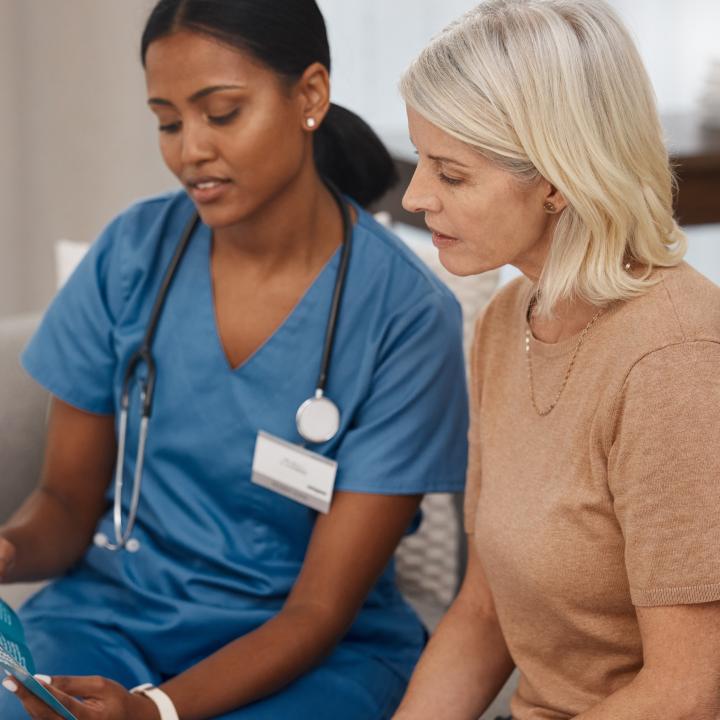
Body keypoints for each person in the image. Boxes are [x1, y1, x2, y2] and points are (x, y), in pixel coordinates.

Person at [0, 1, 469, 718]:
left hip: (310, 651)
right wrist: (6, 547)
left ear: (309, 95)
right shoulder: (131, 253)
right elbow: (64, 506)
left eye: (221, 114)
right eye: (167, 121)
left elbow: (318, 609)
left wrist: (155, 710)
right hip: (114, 620)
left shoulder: (405, 315)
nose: (189, 149)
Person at [391, 1, 720, 719]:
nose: (417, 197)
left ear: (556, 181)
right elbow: (482, 613)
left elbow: (690, 693)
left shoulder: (676, 361)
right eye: (423, 162)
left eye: (450, 173)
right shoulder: (509, 321)